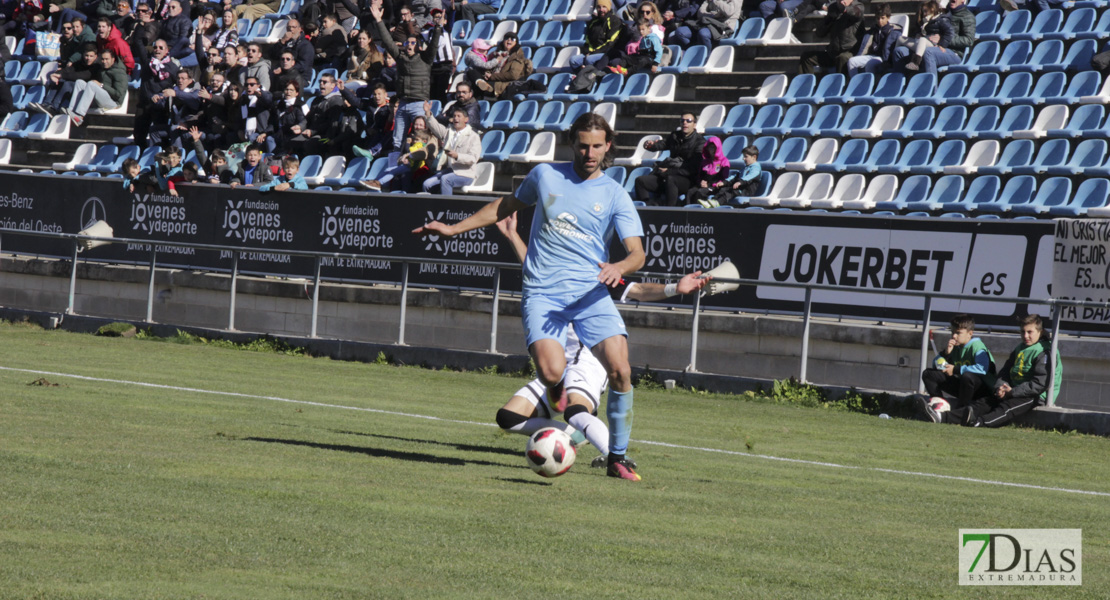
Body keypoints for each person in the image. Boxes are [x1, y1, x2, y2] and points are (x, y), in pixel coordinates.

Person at [412, 112, 647, 482]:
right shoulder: (545, 175)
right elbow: (503, 207)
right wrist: (454, 229)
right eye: (583, 145)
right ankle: (560, 399)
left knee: (621, 370)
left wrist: (620, 266)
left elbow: (637, 253)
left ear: (608, 147)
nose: (589, 153)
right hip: (543, 292)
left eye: (597, 146)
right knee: (551, 371)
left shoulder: (615, 193)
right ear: (573, 143)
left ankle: (617, 458)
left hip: (589, 294)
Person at [493, 210, 710, 467]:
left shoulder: (596, 274)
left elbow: (638, 290)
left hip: (587, 360)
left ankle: (616, 457)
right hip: (555, 365)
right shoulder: (551, 271)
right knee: (508, 418)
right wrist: (512, 235)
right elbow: (532, 265)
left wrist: (676, 288)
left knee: (575, 410)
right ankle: (574, 433)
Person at [925, 315, 1062, 428]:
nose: (1025, 336)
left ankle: (978, 423)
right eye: (1022, 332)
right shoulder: (1020, 347)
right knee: (985, 402)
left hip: (1035, 396)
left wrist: (1012, 392)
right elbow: (1005, 372)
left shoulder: (1045, 352)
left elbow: (1040, 384)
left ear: (1040, 331)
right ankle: (942, 416)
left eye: (1029, 332)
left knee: (1006, 408)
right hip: (1012, 390)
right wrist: (1000, 387)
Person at [372, 2, 441, 154]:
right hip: (403, 103)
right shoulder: (401, 57)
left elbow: (434, 44)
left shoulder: (426, 59)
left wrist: (438, 28)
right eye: (407, 42)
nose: (409, 45)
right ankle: (394, 172)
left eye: (412, 43)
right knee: (397, 141)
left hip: (418, 104)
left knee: (420, 136)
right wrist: (378, 21)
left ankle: (420, 169)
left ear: (418, 46)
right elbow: (389, 43)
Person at [918, 314, 996, 418]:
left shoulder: (977, 346)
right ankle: (939, 406)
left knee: (967, 376)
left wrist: (956, 369)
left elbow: (982, 369)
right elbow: (935, 364)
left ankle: (960, 412)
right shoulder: (955, 346)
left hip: (983, 390)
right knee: (928, 374)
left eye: (958, 333)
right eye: (953, 332)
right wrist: (946, 354)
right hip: (964, 387)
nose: (954, 336)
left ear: (970, 333)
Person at [632, 112, 705, 206]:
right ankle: (646, 208)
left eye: (688, 121)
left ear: (694, 124)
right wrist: (652, 145)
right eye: (682, 120)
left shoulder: (700, 142)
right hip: (669, 175)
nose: (685, 123)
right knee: (640, 181)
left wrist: (670, 171)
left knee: (671, 179)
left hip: (688, 179)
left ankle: (670, 212)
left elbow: (692, 169)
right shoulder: (675, 136)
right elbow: (663, 144)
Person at [422, 103, 480, 194]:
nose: (456, 118)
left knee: (446, 180)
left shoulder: (473, 137)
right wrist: (428, 113)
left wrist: (457, 156)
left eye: (459, 116)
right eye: (454, 116)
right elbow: (436, 127)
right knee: (427, 184)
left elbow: (473, 158)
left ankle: (446, 207)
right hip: (450, 170)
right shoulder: (449, 132)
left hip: (466, 173)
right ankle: (431, 207)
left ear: (466, 119)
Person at [798, 0, 863, 75]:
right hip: (833, 52)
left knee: (842, 58)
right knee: (806, 57)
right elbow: (819, 33)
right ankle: (806, 84)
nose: (841, 1)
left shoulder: (858, 6)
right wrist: (829, 20)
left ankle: (842, 85)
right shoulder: (834, 8)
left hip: (850, 51)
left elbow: (856, 13)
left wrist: (844, 9)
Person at [67, 48, 128, 127]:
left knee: (92, 84)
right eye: (102, 59)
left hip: (114, 103)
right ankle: (71, 110)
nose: (104, 62)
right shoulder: (102, 69)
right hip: (102, 98)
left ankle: (79, 115)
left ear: (113, 59)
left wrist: (101, 85)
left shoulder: (119, 72)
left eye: (107, 59)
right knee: (79, 82)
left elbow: (118, 94)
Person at [846, 3, 901, 77]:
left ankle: (871, 85)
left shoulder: (893, 31)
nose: (880, 21)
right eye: (878, 18)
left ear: (888, 18)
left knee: (870, 64)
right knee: (851, 61)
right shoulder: (873, 30)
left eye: (882, 18)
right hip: (872, 55)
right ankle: (854, 82)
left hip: (884, 58)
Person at [686, 136, 731, 208]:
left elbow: (724, 178)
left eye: (713, 148)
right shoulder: (705, 162)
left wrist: (710, 184)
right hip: (703, 186)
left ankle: (698, 213)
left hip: (715, 187)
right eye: (710, 148)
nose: (712, 150)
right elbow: (699, 176)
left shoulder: (724, 161)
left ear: (718, 148)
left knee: (700, 192)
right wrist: (700, 182)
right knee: (690, 192)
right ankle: (687, 212)